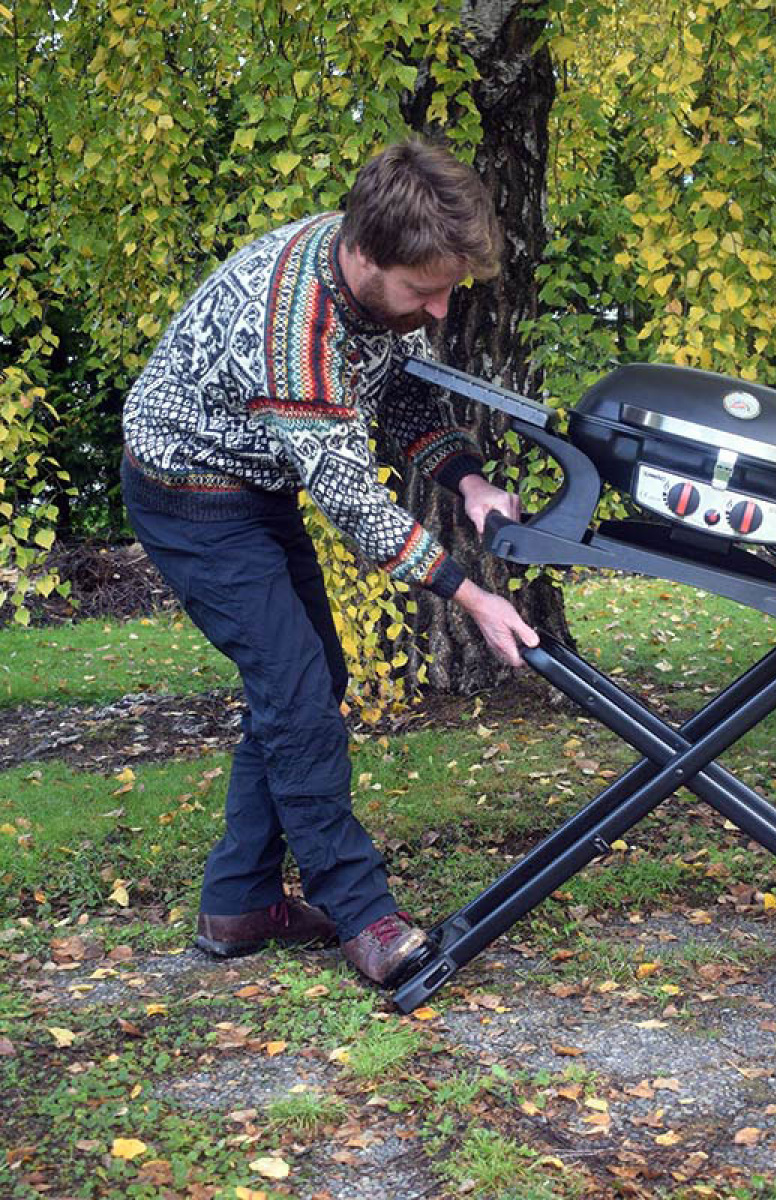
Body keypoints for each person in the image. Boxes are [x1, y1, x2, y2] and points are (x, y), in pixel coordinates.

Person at [121, 137, 539, 987]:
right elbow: (353, 506)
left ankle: (239, 903)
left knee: (310, 680)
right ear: (364, 253)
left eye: (448, 291)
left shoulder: (376, 287)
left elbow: (405, 394)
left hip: (253, 483)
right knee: (298, 690)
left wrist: (468, 482)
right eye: (425, 292)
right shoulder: (296, 330)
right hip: (188, 493)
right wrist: (476, 600)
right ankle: (363, 914)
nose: (436, 312)